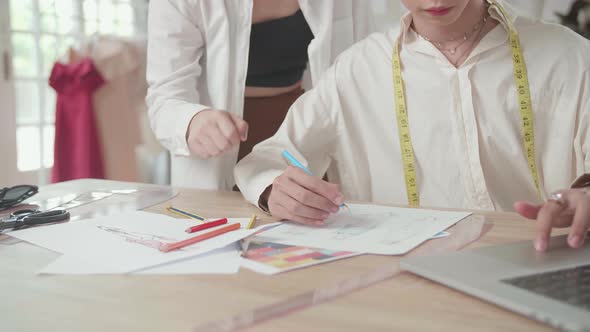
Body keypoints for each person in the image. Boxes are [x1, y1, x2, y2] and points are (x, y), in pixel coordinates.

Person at [235, 0, 590, 252]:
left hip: (540, 257)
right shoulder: (358, 69)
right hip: (409, 281)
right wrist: (274, 188)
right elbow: (266, 161)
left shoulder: (570, 56)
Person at [146, 0, 380, 190]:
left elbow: (359, 75)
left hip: (303, 145)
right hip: (221, 151)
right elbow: (165, 98)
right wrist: (191, 121)